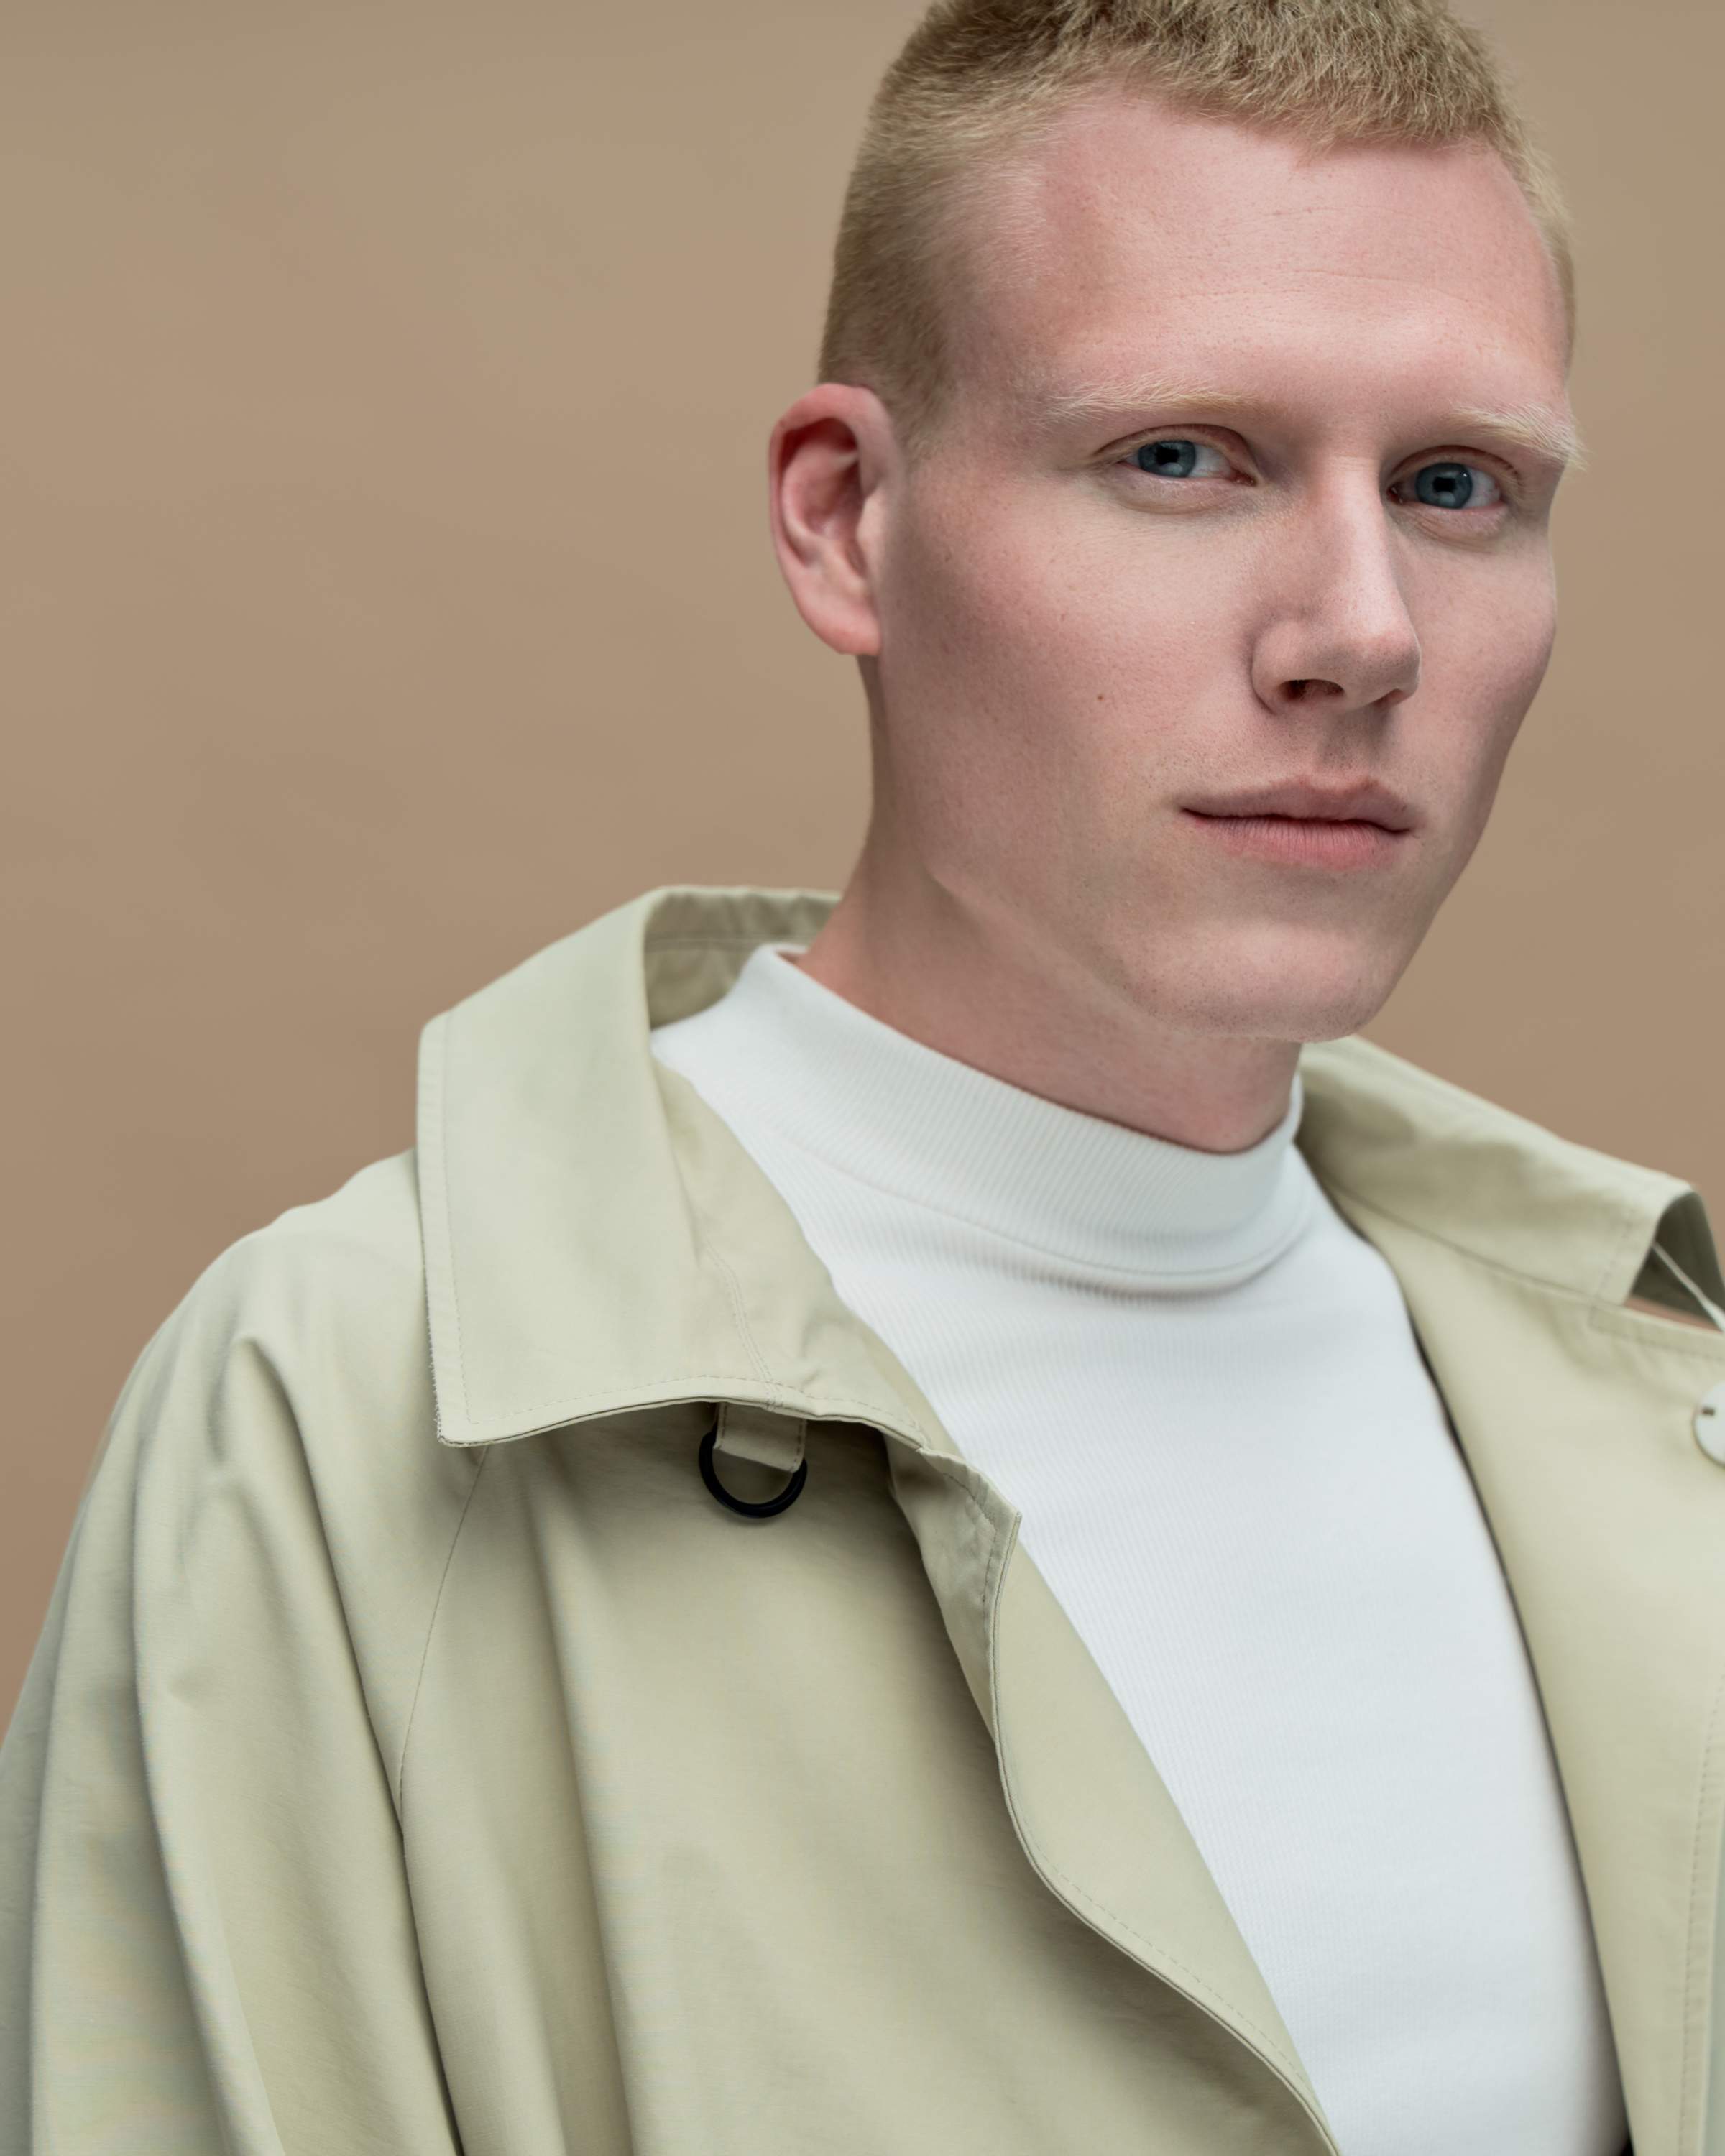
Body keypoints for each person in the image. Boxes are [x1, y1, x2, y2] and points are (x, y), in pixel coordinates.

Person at [3, 0, 1721, 2149]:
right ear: (845, 521)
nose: (1362, 630)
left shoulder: (1666, 1412)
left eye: (1458, 486)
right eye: (1183, 458)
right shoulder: (337, 1406)